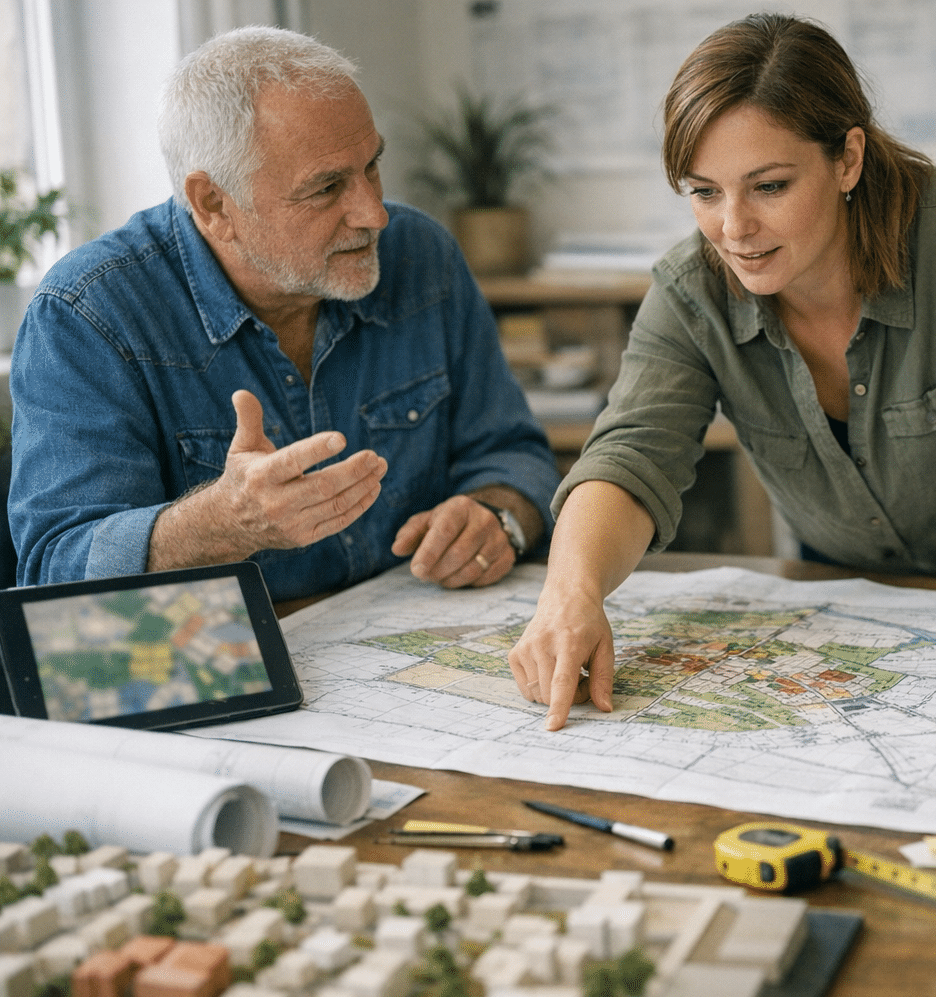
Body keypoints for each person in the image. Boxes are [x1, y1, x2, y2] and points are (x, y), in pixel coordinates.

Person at [509, 13, 936, 730]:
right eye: (704, 192)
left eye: (768, 187)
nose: (734, 228)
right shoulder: (689, 288)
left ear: (847, 158)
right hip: (871, 583)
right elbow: (631, 455)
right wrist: (570, 594)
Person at [9, 27, 560, 606]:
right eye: (326, 188)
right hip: (225, 665)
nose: (374, 213)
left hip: (408, 637)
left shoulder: (422, 254)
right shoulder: (87, 314)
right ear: (214, 203)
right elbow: (55, 573)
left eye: (372, 166)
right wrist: (221, 523)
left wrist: (498, 516)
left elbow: (514, 450)